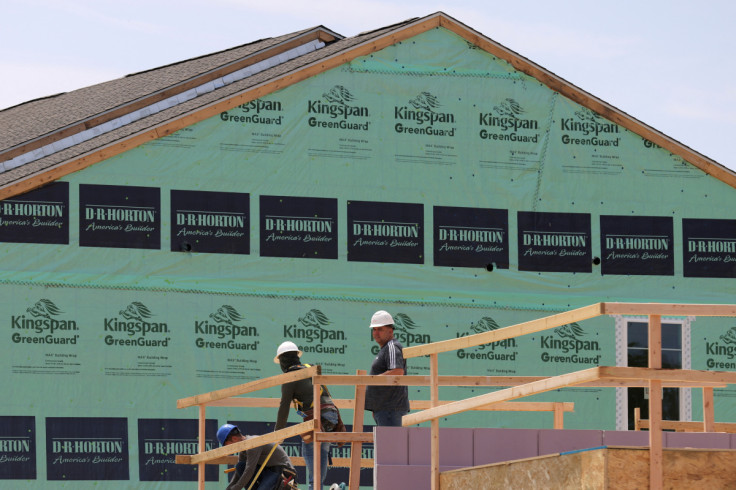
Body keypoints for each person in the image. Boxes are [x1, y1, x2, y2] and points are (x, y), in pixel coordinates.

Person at [274, 341, 342, 490]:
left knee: (310, 452)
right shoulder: (310, 367)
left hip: (318, 418)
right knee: (322, 451)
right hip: (331, 416)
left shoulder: (290, 376)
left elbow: (284, 406)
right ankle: (319, 487)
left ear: (283, 360)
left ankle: (315, 487)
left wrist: (278, 434)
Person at [216, 423, 296, 490]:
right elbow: (238, 474)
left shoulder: (252, 443)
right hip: (268, 471)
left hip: (283, 471)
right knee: (240, 466)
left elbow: (250, 470)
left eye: (227, 445)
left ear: (234, 438)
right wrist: (229, 488)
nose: (229, 449)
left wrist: (236, 488)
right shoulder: (243, 450)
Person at [364, 310, 410, 426]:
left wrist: (374, 379)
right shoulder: (386, 349)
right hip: (385, 410)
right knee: (388, 444)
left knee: (392, 444)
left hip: (391, 409)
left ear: (390, 331)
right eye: (374, 329)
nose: (376, 333)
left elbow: (397, 372)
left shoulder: (392, 347)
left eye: (380, 329)